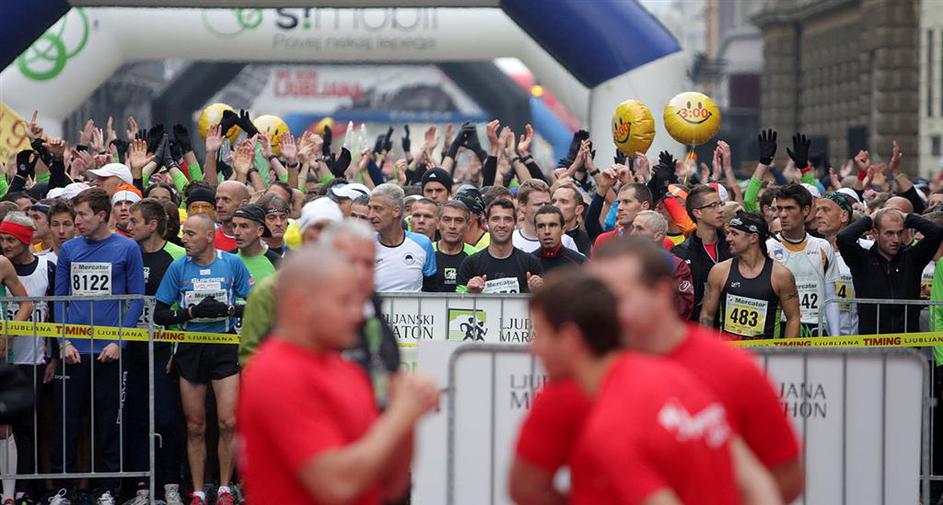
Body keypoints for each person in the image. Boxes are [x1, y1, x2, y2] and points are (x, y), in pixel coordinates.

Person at [523, 268, 780, 505]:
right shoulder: (675, 377)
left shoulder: (611, 425)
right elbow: (758, 484)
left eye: (540, 333)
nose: (534, 348)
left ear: (569, 339)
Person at [238, 247, 439, 505]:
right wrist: (401, 414)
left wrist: (407, 410)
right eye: (344, 302)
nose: (358, 314)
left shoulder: (347, 370)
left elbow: (392, 483)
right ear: (300, 305)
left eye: (358, 302)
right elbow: (336, 485)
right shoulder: (276, 373)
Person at [53, 187, 145, 504]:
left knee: (110, 424)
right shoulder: (69, 250)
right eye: (75, 215)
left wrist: (119, 341)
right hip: (73, 352)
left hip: (109, 353)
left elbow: (136, 300)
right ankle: (62, 489)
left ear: (101, 215)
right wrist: (63, 341)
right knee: (67, 424)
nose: (76, 221)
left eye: (82, 215)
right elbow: (59, 299)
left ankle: (108, 488)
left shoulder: (128, 248)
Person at [153, 213, 253, 505]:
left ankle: (224, 488)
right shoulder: (178, 267)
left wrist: (229, 310)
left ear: (210, 236)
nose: (184, 239)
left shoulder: (231, 263)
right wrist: (191, 313)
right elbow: (160, 314)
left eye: (191, 234)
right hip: (190, 348)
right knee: (195, 425)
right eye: (184, 233)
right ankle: (197, 491)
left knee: (228, 422)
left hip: (224, 347)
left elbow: (255, 302)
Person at [125, 198, 186, 505]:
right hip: (130, 349)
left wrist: (177, 349)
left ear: (152, 225)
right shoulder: (128, 253)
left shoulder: (177, 256)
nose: (128, 226)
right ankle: (140, 486)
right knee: (135, 418)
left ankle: (171, 484)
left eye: (134, 221)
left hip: (164, 350)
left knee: (166, 418)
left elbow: (184, 303)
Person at [837, 208, 943, 334]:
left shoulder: (913, 259)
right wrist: (871, 218)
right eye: (889, 233)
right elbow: (843, 238)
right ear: (875, 234)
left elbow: (936, 232)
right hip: (872, 341)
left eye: (899, 233)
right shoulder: (862, 261)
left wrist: (907, 217)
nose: (896, 239)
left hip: (907, 340)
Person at [0, 213, 45, 505]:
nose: (4, 244)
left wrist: (9, 334)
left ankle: (8, 496)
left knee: (4, 426)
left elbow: (26, 303)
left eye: (9, 239)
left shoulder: (2, 264)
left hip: (4, 356)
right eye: (1, 238)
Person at [700, 212, 801, 340]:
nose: (728, 238)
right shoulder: (719, 271)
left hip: (766, 351)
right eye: (728, 233)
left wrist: (788, 351)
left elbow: (793, 318)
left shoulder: (781, 275)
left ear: (753, 237)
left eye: (734, 234)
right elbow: (707, 315)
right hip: (730, 350)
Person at [766, 184, 839, 337]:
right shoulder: (768, 248)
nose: (783, 214)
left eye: (790, 208)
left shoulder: (823, 246)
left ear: (805, 210)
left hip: (816, 327)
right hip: (781, 326)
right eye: (779, 208)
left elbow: (830, 296)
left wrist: (836, 337)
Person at [457, 199, 543, 294]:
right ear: (487, 222)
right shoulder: (471, 263)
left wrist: (536, 292)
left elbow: (544, 300)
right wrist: (470, 293)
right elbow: (458, 300)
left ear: (515, 223)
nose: (502, 225)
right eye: (495, 219)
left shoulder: (531, 263)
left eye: (507, 219)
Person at [672, 184, 732, 320]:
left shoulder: (733, 247)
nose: (720, 210)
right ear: (697, 213)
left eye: (720, 204)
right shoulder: (681, 253)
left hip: (730, 328)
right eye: (713, 206)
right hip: (695, 325)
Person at [368, 184, 436, 292]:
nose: (370, 215)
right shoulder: (364, 244)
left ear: (396, 211)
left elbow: (431, 288)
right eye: (369, 208)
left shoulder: (422, 243)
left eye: (377, 209)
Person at [815, 192, 867, 335]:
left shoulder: (866, 249)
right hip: (818, 338)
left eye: (825, 210)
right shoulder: (812, 249)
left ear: (844, 215)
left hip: (854, 340)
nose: (818, 215)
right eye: (817, 210)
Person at [630, 210, 695, 320]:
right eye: (633, 228)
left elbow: (684, 307)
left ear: (658, 236)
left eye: (640, 229)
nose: (633, 234)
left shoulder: (676, 265)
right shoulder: (623, 263)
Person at [513, 180, 579, 253]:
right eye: (538, 204)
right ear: (522, 206)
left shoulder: (566, 241)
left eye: (547, 204)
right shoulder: (511, 241)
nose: (544, 209)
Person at [427, 201, 476, 293]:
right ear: (437, 223)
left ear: (468, 225)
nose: (452, 226)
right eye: (447, 220)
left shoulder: (476, 256)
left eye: (459, 221)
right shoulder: (425, 252)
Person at [592, 183, 653, 249]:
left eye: (626, 202)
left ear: (644, 206)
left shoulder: (658, 242)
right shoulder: (603, 240)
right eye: (618, 202)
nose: (619, 207)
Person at [231, 204, 281, 283]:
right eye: (234, 226)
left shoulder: (277, 263)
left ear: (260, 231)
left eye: (244, 226)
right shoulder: (225, 259)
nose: (236, 232)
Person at [532, 205, 586, 272]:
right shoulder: (527, 263)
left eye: (552, 225)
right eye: (541, 226)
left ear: (563, 229)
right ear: (535, 231)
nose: (547, 231)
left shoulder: (580, 262)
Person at [551, 184, 591, 256]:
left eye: (563, 201)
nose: (555, 206)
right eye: (553, 201)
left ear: (578, 210)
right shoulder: (541, 236)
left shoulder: (588, 242)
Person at [213, 181, 249, 251]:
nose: (219, 205)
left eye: (226, 200)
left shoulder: (256, 242)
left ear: (244, 203)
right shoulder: (208, 240)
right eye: (217, 199)